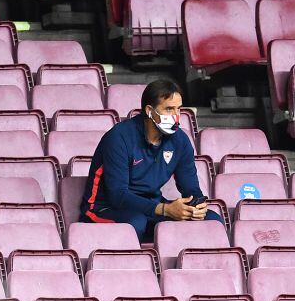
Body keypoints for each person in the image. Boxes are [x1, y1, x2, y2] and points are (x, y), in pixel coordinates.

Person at [79, 77, 222, 239]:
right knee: (136, 222)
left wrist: (196, 206)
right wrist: (164, 209)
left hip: (152, 206)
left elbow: (190, 187)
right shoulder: (119, 138)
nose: (176, 116)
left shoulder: (180, 140)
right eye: (169, 109)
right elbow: (118, 195)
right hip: (104, 208)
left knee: (212, 220)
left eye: (179, 109)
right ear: (149, 110)